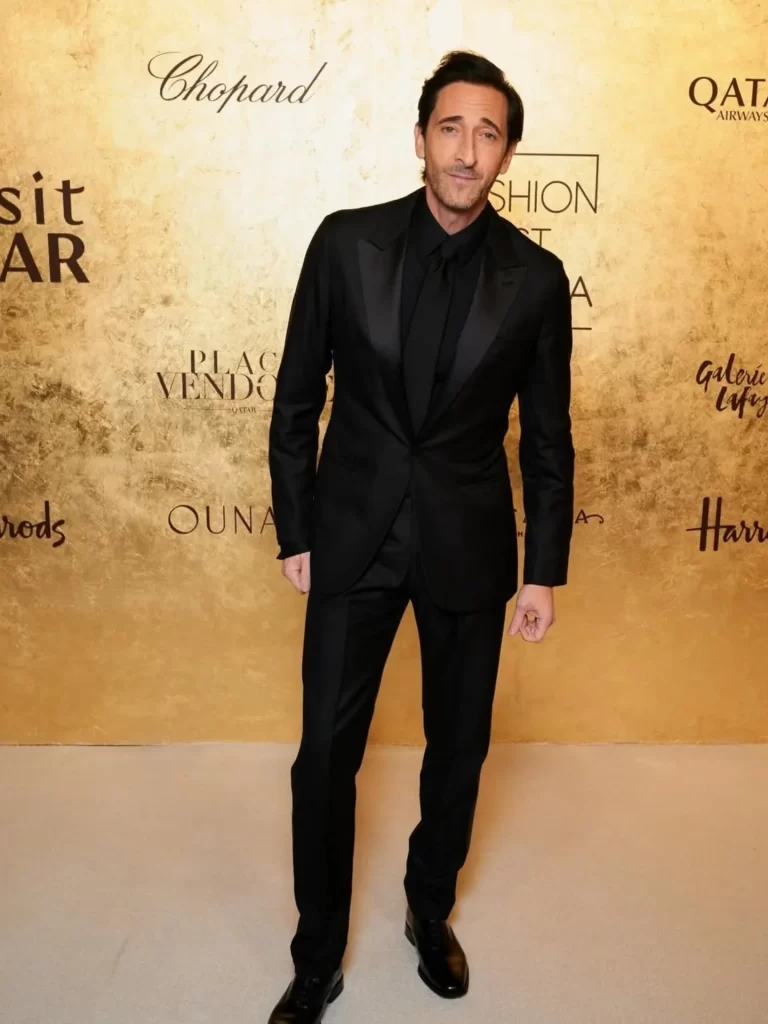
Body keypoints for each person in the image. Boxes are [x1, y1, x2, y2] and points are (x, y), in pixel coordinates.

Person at [266, 49, 575, 1024]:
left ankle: (427, 909)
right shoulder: (343, 242)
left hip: (467, 547)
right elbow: (295, 396)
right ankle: (317, 956)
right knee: (324, 757)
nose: (466, 150)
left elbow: (549, 439)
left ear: (506, 155)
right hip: (351, 536)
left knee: (459, 752)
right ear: (419, 138)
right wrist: (296, 527)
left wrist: (543, 572)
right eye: (451, 128)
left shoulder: (536, 279)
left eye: (488, 133)